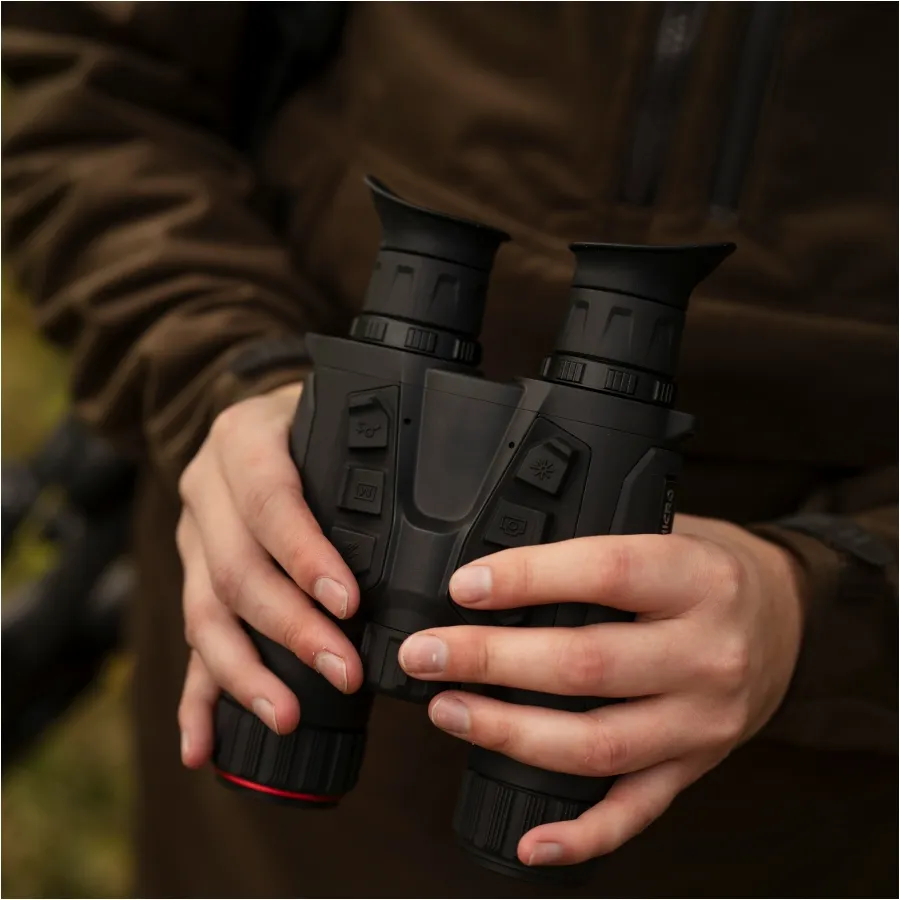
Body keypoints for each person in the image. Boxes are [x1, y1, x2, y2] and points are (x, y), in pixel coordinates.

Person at [3, 3, 896, 897]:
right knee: (273, 770)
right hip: (275, 626)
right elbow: (88, 77)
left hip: (787, 797)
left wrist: (819, 602)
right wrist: (230, 380)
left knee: (552, 827)